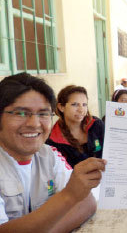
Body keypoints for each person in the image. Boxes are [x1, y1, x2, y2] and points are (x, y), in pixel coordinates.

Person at [0, 73, 106, 232]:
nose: (34, 124)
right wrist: (69, 196)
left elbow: (87, 202)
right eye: (21, 113)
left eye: (43, 114)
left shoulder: (48, 154)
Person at [46, 85, 105, 168]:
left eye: (84, 105)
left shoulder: (96, 125)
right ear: (61, 107)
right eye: (74, 105)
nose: (81, 110)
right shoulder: (53, 141)